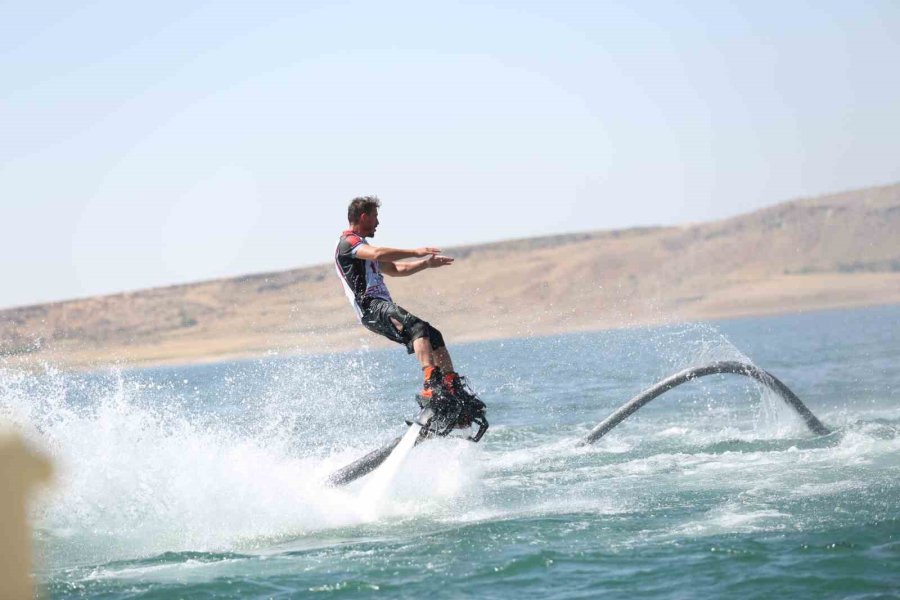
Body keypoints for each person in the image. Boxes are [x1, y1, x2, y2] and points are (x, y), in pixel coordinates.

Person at [334, 196, 480, 419]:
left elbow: (396, 269)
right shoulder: (349, 244)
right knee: (416, 327)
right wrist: (416, 251)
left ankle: (452, 388)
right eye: (375, 217)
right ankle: (431, 385)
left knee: (434, 336)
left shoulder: (364, 249)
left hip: (383, 306)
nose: (378, 223)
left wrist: (425, 263)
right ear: (363, 217)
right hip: (371, 308)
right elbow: (378, 254)